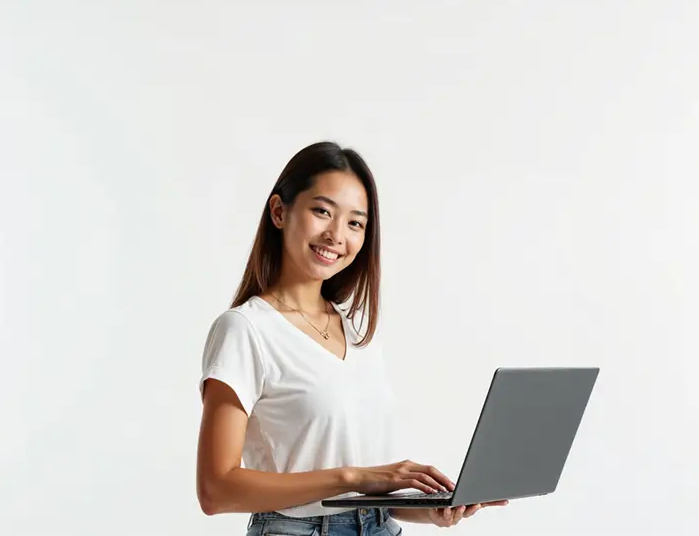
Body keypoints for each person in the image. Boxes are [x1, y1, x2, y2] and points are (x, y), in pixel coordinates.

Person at [195, 141, 507, 534]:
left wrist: (431, 508)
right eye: (322, 211)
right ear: (279, 211)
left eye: (355, 223)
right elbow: (216, 489)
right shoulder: (245, 329)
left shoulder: (357, 332)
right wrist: (352, 478)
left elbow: (366, 494)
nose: (336, 235)